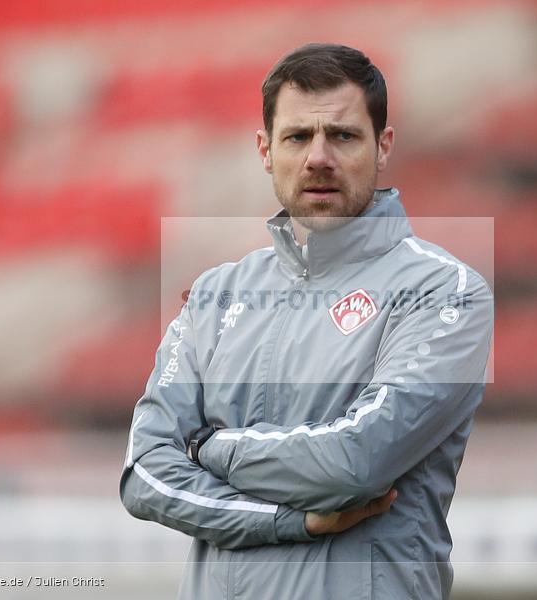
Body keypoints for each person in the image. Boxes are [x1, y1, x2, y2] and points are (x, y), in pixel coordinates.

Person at [120, 43, 494, 600]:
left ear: (383, 146)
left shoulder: (445, 291)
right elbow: (145, 474)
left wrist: (207, 449)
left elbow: (356, 462)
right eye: (298, 137)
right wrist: (286, 520)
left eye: (342, 136)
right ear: (266, 150)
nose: (319, 157)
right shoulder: (215, 295)